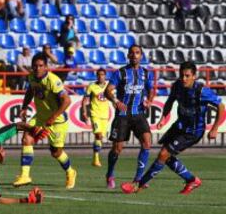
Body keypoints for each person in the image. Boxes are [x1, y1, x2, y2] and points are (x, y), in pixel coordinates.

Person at [121, 61, 225, 195]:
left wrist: (215, 128)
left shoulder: (202, 91)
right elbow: (170, 101)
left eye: (187, 76)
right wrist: (164, 117)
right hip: (179, 126)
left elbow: (221, 107)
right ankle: (191, 180)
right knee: (166, 157)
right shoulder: (177, 86)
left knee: (163, 154)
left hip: (193, 131)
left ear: (194, 76)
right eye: (182, 75)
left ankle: (139, 185)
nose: (184, 79)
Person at [13, 53, 77, 189]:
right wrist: (24, 106)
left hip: (57, 121)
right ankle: (25, 175)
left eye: (41, 66)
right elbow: (30, 90)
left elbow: (67, 100)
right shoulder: (31, 77)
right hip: (40, 117)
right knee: (26, 138)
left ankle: (70, 171)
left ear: (46, 67)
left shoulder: (53, 81)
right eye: (35, 66)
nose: (37, 68)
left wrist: (53, 117)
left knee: (56, 152)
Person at [104, 45, 155, 189]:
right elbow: (107, 91)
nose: (134, 55)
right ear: (128, 56)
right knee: (117, 149)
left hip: (138, 113)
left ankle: (139, 178)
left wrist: (149, 101)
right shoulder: (120, 73)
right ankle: (110, 174)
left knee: (147, 142)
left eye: (137, 53)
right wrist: (116, 101)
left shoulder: (146, 73)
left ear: (141, 56)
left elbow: (151, 90)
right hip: (123, 115)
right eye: (132, 53)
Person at [82, 68, 110, 167]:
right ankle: (96, 159)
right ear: (96, 76)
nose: (100, 76)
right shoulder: (92, 86)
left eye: (102, 74)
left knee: (100, 137)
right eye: (99, 74)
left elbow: (113, 98)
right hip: (95, 115)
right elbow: (85, 100)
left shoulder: (109, 86)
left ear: (105, 76)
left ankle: (95, 159)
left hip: (105, 116)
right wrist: (85, 112)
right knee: (98, 135)